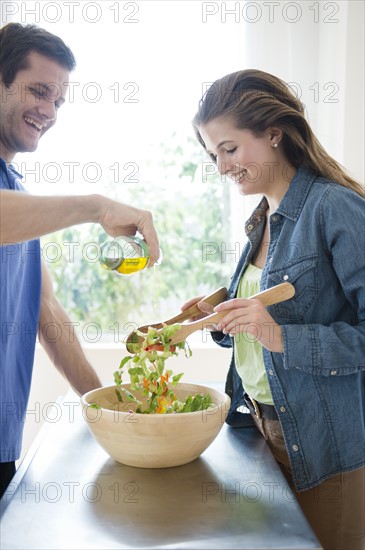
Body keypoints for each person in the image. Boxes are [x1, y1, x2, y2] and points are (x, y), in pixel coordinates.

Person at [184, 69, 365, 550]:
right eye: (212, 154)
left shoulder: (335, 208)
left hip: (325, 440)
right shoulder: (261, 219)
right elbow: (264, 317)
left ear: (273, 134)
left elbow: (288, 331)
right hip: (259, 427)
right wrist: (217, 314)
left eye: (229, 149)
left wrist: (283, 338)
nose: (221, 167)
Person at [0, 23, 160, 498]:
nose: (48, 111)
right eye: (38, 91)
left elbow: (45, 310)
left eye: (58, 101)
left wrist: (104, 405)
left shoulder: (17, 191)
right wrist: (96, 206)